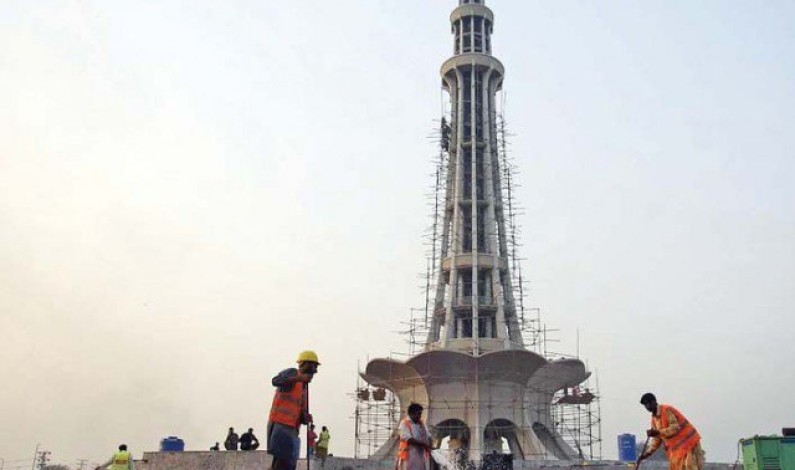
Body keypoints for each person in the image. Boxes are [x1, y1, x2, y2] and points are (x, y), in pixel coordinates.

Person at [267, 350, 320, 470]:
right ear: (304, 364)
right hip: (280, 425)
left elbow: (298, 410)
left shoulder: (303, 388)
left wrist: (304, 417)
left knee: (286, 463)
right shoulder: (292, 373)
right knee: (283, 463)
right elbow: (275, 381)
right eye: (313, 367)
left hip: (292, 428)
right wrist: (298, 378)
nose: (315, 371)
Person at [638, 393, 704, 470]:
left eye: (649, 403)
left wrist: (658, 432)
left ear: (654, 402)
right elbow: (657, 439)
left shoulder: (666, 410)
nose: (648, 406)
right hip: (677, 450)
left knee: (690, 467)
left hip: (689, 443)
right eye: (645, 405)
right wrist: (647, 454)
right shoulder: (654, 420)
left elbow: (675, 428)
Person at [397, 403, 432, 470]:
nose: (420, 416)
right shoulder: (404, 423)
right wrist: (424, 444)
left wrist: (430, 443)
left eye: (420, 414)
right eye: (418, 413)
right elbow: (409, 439)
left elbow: (428, 436)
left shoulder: (422, 424)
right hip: (408, 460)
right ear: (412, 413)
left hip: (421, 459)